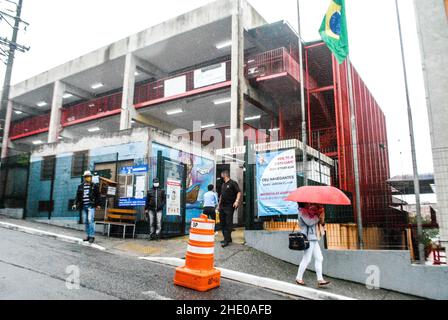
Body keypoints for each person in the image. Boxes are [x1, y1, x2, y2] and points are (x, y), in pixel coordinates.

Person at [295, 202, 331, 288]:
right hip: (308, 239)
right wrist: (317, 216)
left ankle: (320, 280)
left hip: (313, 238)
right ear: (304, 204)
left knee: (319, 258)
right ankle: (298, 278)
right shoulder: (302, 212)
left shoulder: (306, 211)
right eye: (307, 203)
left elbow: (314, 221)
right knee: (307, 259)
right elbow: (310, 222)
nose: (309, 204)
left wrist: (318, 213)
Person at [73, 171, 101, 244]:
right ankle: (88, 236)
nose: (88, 178)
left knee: (90, 220)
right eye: (86, 176)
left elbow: (98, 196)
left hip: (91, 206)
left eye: (89, 176)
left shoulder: (94, 186)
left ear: (91, 177)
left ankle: (92, 236)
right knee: (86, 221)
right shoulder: (80, 186)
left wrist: (98, 204)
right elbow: (77, 196)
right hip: (84, 206)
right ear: (84, 177)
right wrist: (75, 204)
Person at [218, 170, 241, 248]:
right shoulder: (223, 184)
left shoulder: (233, 183)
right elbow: (221, 195)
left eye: (221, 174)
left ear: (225, 174)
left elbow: (238, 192)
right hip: (222, 206)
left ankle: (226, 240)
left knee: (228, 222)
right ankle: (228, 238)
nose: (220, 175)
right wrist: (218, 205)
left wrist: (236, 201)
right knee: (222, 223)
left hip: (229, 206)